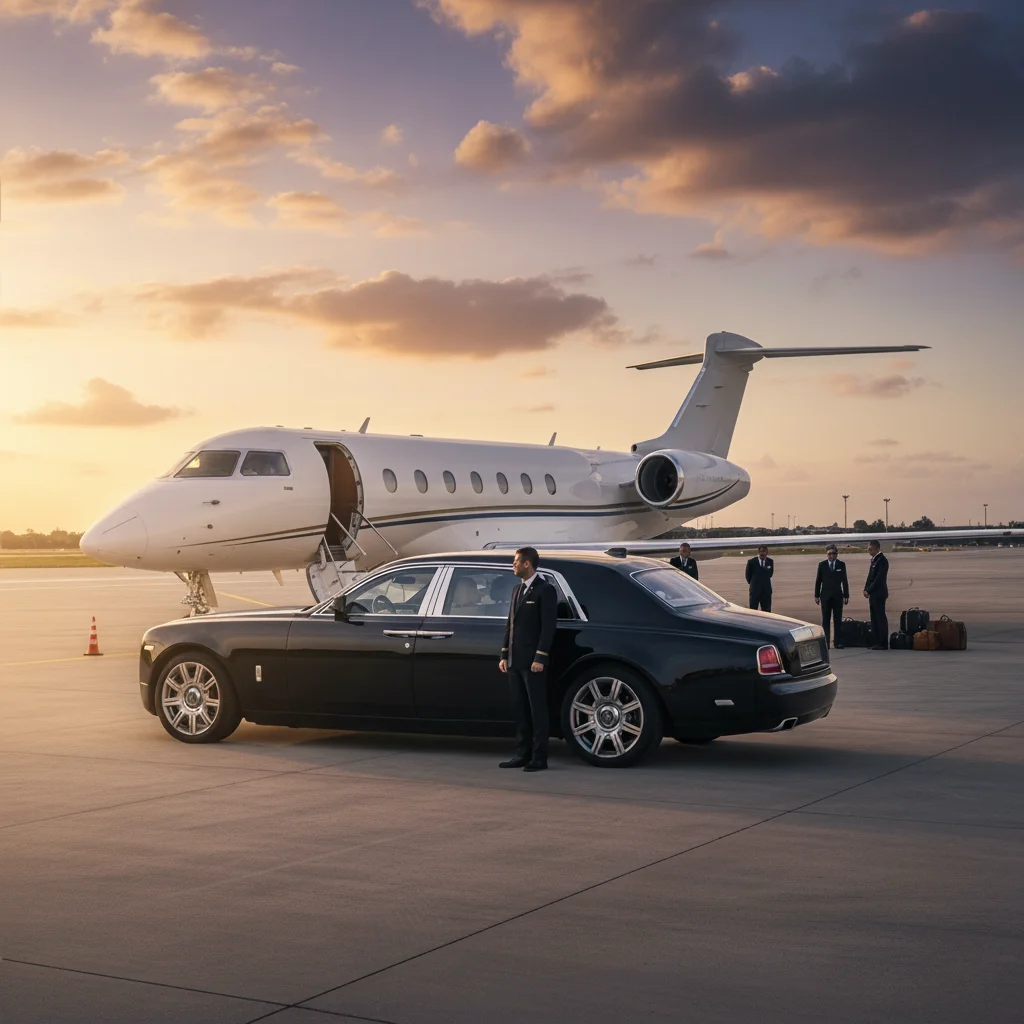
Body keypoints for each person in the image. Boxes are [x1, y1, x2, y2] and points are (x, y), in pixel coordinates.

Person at [498, 546, 557, 771]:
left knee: (537, 710)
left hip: (533, 662)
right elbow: (510, 624)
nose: (512, 565)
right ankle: (522, 753)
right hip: (515, 660)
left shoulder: (545, 590)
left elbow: (548, 627)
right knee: (520, 709)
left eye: (516, 562)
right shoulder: (516, 590)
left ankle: (539, 757)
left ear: (527, 564)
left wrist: (540, 657)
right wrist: (504, 654)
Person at [814, 544, 849, 648]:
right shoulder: (822, 565)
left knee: (838, 619)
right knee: (825, 620)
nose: (831, 556)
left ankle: (837, 642)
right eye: (829, 554)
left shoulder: (841, 564)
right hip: (825, 596)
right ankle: (826, 642)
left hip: (838, 596)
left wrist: (846, 594)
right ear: (826, 554)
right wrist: (816, 595)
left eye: (834, 553)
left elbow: (845, 580)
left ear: (837, 554)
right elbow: (818, 581)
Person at [863, 540, 889, 650]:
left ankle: (883, 643)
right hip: (873, 594)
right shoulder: (874, 560)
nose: (869, 551)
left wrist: (869, 590)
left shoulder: (882, 561)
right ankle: (876, 641)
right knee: (874, 618)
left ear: (877, 549)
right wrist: (866, 588)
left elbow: (879, 578)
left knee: (880, 618)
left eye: (871, 549)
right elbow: (870, 576)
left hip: (879, 593)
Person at [745, 544, 774, 612]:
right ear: (758, 552)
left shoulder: (770, 561)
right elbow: (748, 576)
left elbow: (770, 574)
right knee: (753, 610)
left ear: (767, 553)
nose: (762, 553)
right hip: (755, 591)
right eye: (761, 551)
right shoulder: (751, 562)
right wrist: (754, 584)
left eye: (764, 552)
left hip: (766, 591)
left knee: (767, 611)